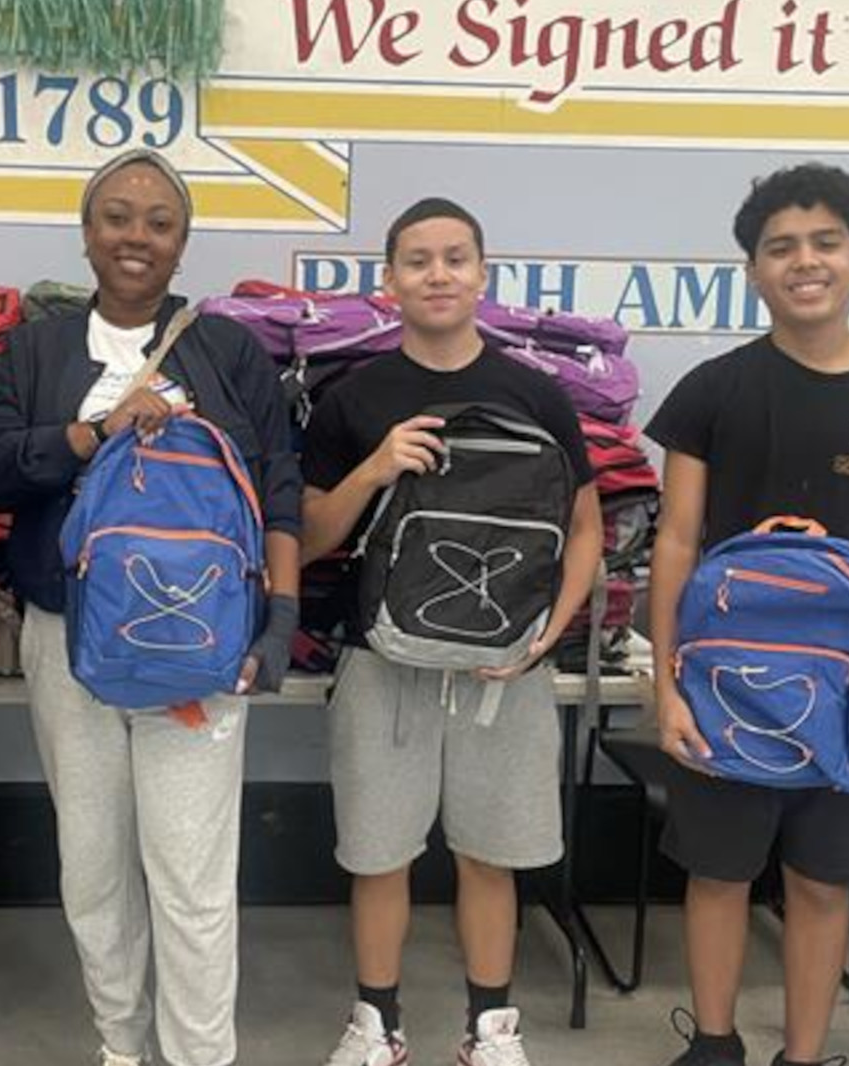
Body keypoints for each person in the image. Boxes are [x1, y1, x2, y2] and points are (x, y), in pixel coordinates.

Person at [0, 147, 302, 1066]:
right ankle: (120, 1046)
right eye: (116, 217)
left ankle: (200, 1058)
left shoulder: (228, 351)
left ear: (183, 244)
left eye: (159, 222)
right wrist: (93, 432)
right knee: (94, 866)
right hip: (66, 641)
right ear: (86, 233)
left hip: (201, 645)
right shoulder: (36, 348)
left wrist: (278, 620)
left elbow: (278, 487)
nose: (136, 236)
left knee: (192, 875)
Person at [647, 162, 849, 1066]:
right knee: (717, 876)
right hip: (721, 691)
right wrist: (666, 684)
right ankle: (715, 1046)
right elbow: (675, 542)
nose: (805, 261)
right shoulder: (712, 391)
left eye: (826, 242)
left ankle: (803, 1056)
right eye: (780, 246)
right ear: (753, 270)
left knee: (824, 886)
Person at [300, 197, 602, 1066]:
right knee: (377, 854)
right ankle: (377, 1025)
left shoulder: (535, 392)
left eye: (455, 258)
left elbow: (585, 526)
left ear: (482, 274)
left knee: (490, 855)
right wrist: (374, 467)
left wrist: (547, 633)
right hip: (382, 658)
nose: (438, 274)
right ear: (389, 280)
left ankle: (491, 1030)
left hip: (503, 664)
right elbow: (310, 538)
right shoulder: (353, 398)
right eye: (418, 260)